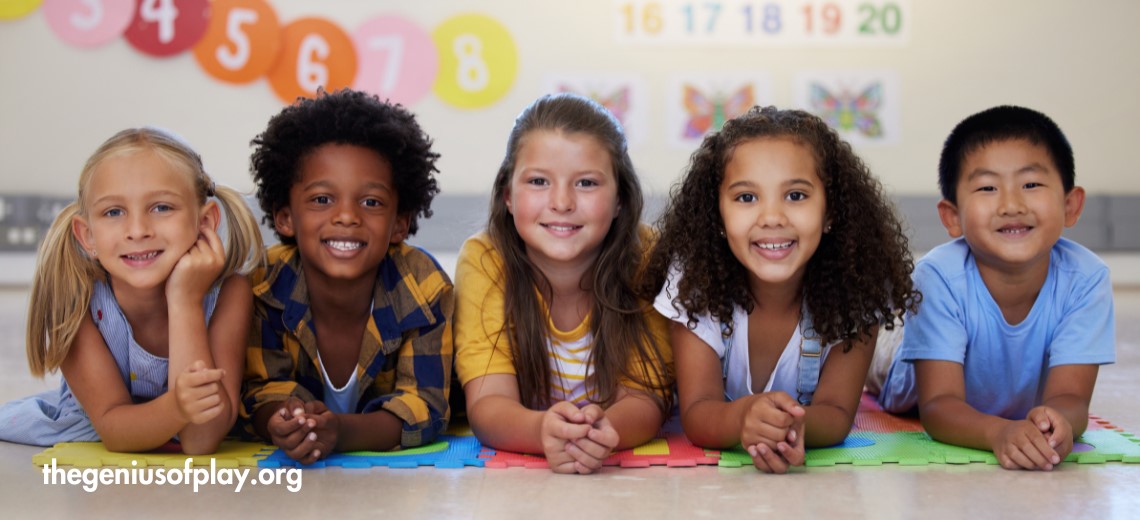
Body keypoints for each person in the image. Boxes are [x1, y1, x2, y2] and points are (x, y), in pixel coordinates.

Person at [643, 106, 919, 474]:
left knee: (897, 367)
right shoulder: (693, 282)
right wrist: (744, 417)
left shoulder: (856, 286)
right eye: (746, 198)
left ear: (831, 211)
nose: (772, 217)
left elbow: (837, 414)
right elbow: (697, 413)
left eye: (796, 196)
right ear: (718, 216)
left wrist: (790, 426)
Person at [873, 105, 1114, 471]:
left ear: (1070, 205)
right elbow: (938, 406)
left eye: (1031, 184)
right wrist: (997, 433)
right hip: (903, 368)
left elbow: (1071, 398)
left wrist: (1059, 423)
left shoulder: (1086, 278)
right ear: (952, 218)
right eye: (987, 187)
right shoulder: (937, 275)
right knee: (868, 348)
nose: (1011, 205)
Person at [0, 127, 262, 454]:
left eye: (162, 207)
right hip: (97, 434)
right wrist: (177, 408)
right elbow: (114, 428)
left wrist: (185, 301)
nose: (137, 231)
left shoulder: (230, 292)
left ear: (205, 222)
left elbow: (200, 439)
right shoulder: (75, 297)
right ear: (88, 236)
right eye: (114, 212)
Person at [454, 93, 673, 475]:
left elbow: (646, 396)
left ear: (620, 198)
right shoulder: (486, 260)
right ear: (508, 195)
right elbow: (489, 404)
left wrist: (605, 433)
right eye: (538, 181)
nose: (561, 202)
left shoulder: (647, 255)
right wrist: (543, 431)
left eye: (586, 183)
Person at [244, 89, 451, 465]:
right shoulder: (264, 283)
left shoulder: (422, 286)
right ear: (285, 217)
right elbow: (259, 391)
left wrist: (340, 432)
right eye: (322, 199)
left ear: (399, 223)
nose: (346, 216)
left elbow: (425, 407)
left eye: (371, 202)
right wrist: (283, 421)